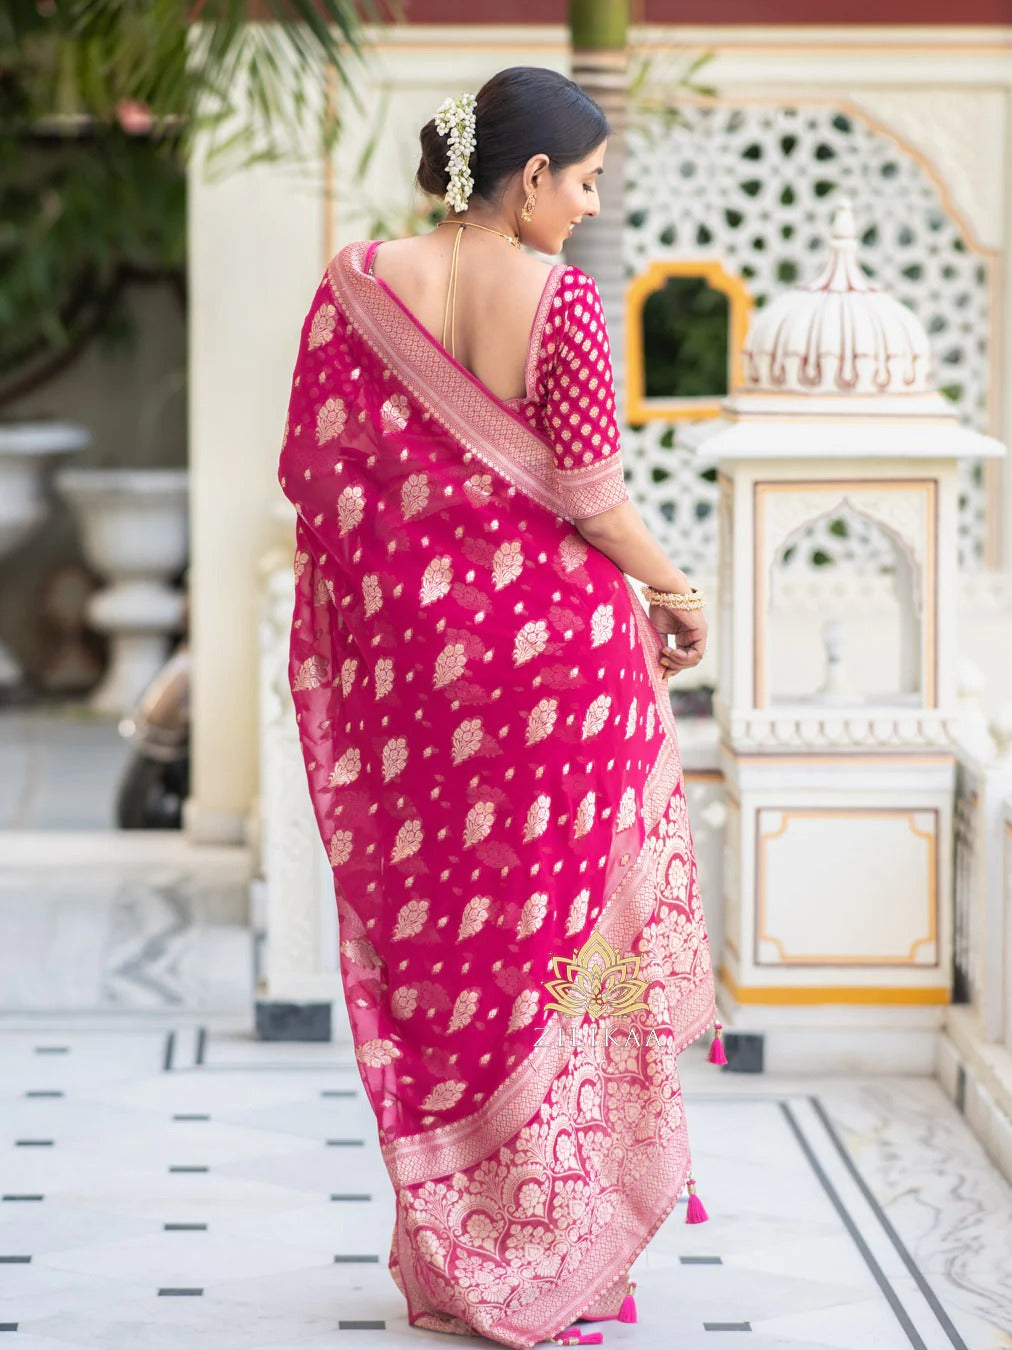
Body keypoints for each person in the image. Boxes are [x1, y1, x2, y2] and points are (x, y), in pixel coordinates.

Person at [277, 65, 719, 1350]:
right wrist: (678, 591)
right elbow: (588, 491)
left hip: (421, 694)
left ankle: (458, 1262)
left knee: (458, 966)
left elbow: (317, 478)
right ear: (528, 176)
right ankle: (564, 1266)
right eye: (580, 182)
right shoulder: (563, 301)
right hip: (558, 691)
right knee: (572, 961)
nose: (584, 207)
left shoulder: (353, 284)